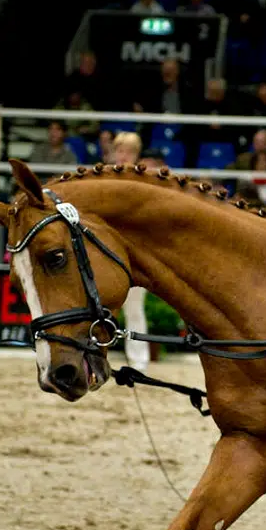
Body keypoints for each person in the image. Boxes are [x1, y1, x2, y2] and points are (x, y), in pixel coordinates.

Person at [109, 131, 150, 371]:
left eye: (128, 151)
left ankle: (138, 361)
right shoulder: (104, 178)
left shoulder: (142, 181)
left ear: (136, 155)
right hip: (109, 250)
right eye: (120, 150)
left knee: (134, 309)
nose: (123, 155)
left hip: (134, 252)